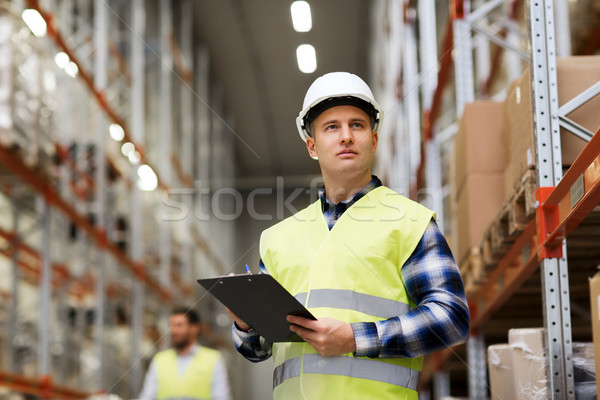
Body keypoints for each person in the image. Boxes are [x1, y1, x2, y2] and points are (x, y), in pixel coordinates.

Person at [229, 72, 470, 399]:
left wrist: (356, 338)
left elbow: (451, 318)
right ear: (312, 146)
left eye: (356, 125)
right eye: (332, 127)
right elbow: (259, 350)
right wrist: (245, 325)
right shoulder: (277, 239)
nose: (346, 136)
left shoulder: (409, 222)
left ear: (373, 140)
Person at [139, 307, 231, 400]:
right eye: (171, 325)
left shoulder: (213, 359)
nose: (173, 331)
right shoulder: (160, 359)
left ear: (194, 328)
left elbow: (221, 397)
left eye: (179, 325)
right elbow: (147, 396)